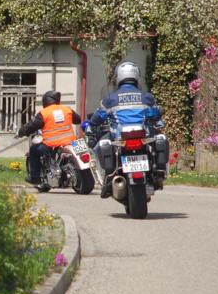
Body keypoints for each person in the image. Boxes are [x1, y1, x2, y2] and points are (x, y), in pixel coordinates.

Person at [89, 61, 164, 197]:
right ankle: (159, 171)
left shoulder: (110, 99)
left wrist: (91, 126)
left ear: (118, 77)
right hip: (143, 137)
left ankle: (108, 178)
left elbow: (98, 117)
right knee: (159, 139)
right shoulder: (146, 97)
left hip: (119, 138)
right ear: (136, 76)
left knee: (100, 145)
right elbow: (155, 114)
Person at [17, 90, 81, 185]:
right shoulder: (67, 109)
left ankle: (35, 178)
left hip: (52, 143)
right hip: (72, 141)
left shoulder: (44, 113)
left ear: (45, 101)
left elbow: (31, 126)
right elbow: (78, 120)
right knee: (83, 149)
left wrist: (21, 132)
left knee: (34, 150)